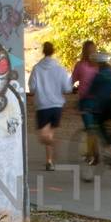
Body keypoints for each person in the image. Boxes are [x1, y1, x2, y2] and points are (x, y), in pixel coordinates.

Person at [27, 40, 70, 171]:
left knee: (42, 137)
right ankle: (49, 161)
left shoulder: (36, 68)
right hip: (57, 106)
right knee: (49, 134)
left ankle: (54, 146)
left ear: (43, 51)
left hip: (43, 105)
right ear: (53, 51)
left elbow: (32, 88)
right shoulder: (60, 69)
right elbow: (67, 88)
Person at [71, 40, 99, 164]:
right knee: (95, 127)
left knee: (89, 128)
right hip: (99, 100)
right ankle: (92, 151)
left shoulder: (80, 65)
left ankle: (93, 153)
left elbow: (72, 80)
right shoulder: (99, 65)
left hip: (86, 100)